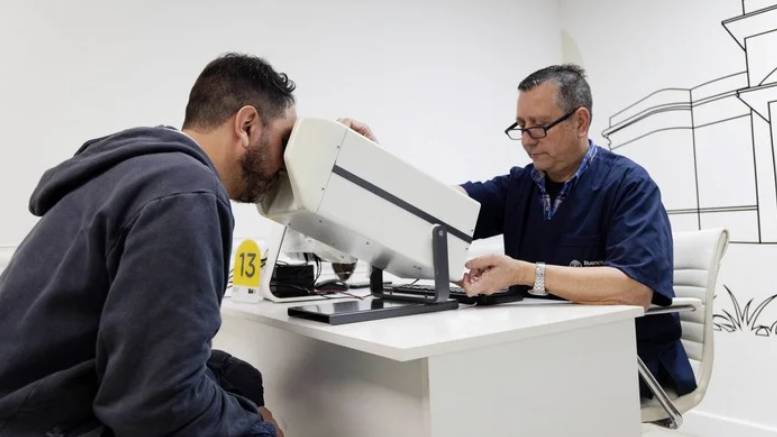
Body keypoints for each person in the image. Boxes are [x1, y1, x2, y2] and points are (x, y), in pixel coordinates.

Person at [0, 53, 374, 436]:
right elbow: (155, 402)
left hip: (32, 404)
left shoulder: (138, 170)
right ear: (246, 126)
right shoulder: (185, 193)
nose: (285, 162)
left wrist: (330, 154)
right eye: (286, 140)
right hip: (39, 423)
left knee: (240, 378)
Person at [459, 64, 696, 398]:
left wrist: (526, 273)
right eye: (522, 127)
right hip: (548, 351)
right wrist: (375, 164)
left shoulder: (629, 185)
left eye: (539, 127)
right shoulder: (519, 186)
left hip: (624, 358)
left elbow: (634, 288)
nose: (527, 140)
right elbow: (448, 205)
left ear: (580, 121)